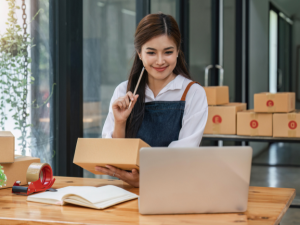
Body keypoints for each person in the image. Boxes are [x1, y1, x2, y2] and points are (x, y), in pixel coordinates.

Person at [95, 13, 208, 187]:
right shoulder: (123, 91)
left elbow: (185, 153)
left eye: (168, 52)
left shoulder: (193, 93)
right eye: (151, 52)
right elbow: (113, 155)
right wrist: (120, 122)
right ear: (139, 53)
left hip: (175, 188)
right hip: (128, 190)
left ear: (178, 51)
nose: (160, 61)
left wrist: (147, 178)